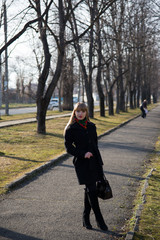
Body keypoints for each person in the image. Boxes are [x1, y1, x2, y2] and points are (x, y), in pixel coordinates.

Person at [64, 102, 108, 231]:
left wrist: (100, 164)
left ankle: (85, 218)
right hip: (82, 164)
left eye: (83, 111)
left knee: (91, 190)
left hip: (95, 162)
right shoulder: (71, 128)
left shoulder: (92, 126)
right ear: (74, 112)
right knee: (91, 189)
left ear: (86, 112)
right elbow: (68, 148)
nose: (80, 113)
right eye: (78, 111)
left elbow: (95, 146)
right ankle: (100, 220)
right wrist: (83, 154)